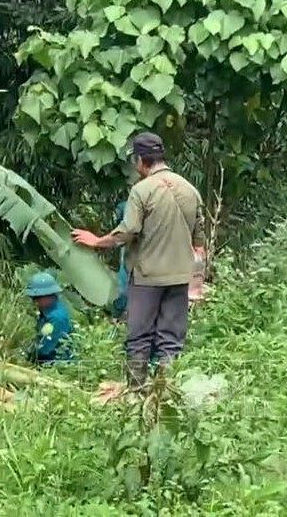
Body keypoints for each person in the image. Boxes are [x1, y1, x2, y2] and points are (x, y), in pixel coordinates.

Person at [72, 132, 205, 389]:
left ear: (141, 160)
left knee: (139, 338)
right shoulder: (190, 189)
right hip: (179, 277)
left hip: (147, 277)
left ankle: (136, 393)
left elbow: (128, 230)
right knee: (171, 340)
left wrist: (97, 240)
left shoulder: (141, 190)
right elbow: (198, 240)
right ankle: (166, 396)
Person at [24, 272, 75, 365]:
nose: (35, 301)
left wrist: (27, 354)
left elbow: (45, 348)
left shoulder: (57, 318)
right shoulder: (46, 311)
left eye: (38, 298)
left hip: (57, 363)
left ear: (49, 296)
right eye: (33, 298)